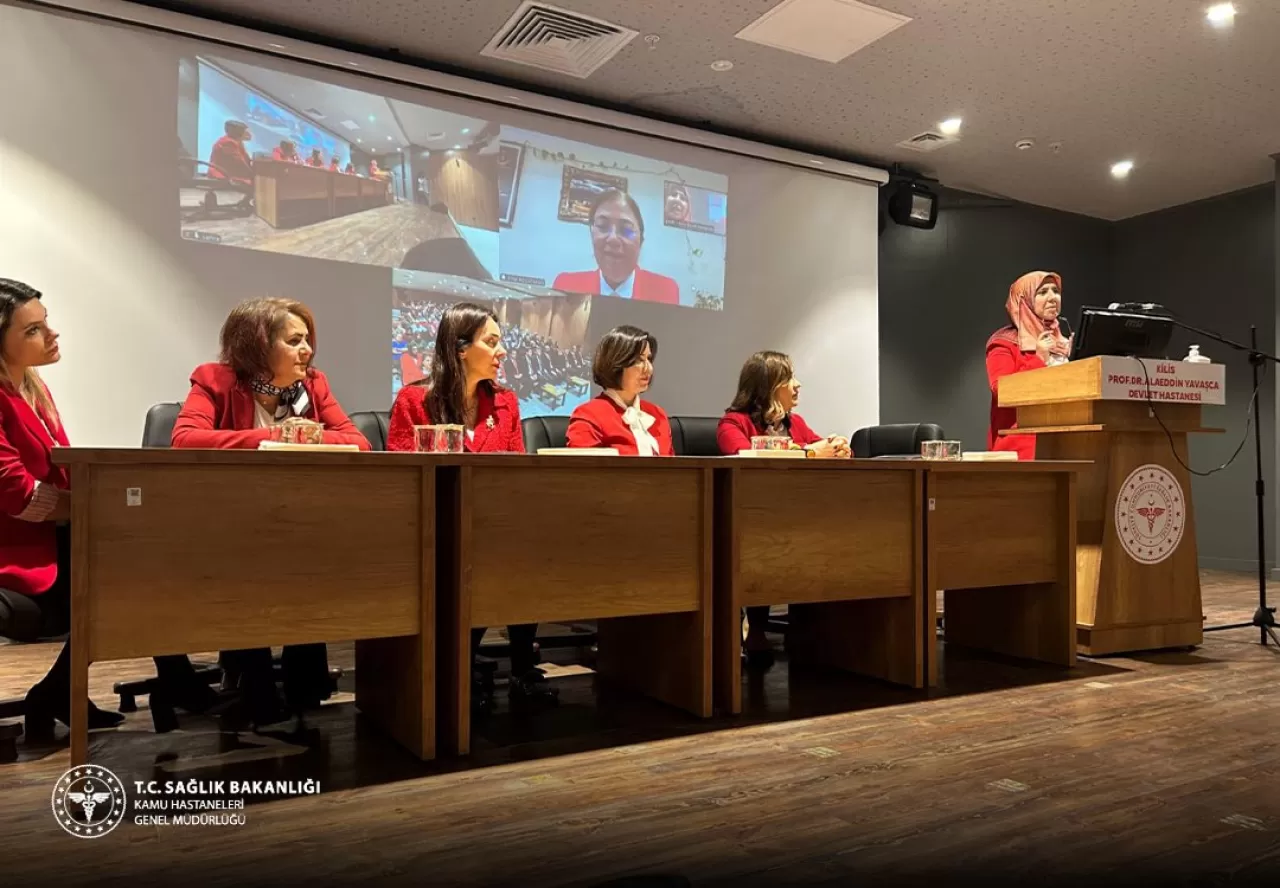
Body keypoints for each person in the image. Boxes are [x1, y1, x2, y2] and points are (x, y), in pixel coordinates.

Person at [0, 279, 212, 741]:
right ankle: (164, 680)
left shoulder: (32, 389)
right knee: (133, 572)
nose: (52, 335)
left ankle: (64, 692)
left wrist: (108, 501)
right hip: (17, 544)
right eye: (34, 329)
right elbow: (13, 489)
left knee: (138, 564)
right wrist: (94, 507)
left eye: (46, 323)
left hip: (55, 534)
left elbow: (62, 469)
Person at [171, 297, 370, 730]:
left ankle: (303, 682)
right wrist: (269, 437)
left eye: (308, 341)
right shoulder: (215, 380)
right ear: (258, 345)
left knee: (320, 551)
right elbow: (185, 440)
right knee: (250, 558)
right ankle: (253, 681)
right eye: (295, 340)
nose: (307, 351)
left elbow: (358, 442)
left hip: (300, 518)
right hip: (230, 519)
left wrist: (308, 440)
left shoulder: (313, 385)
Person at [386, 302, 556, 711]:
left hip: (492, 523)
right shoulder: (414, 400)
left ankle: (521, 669)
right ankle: (455, 668)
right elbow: (402, 475)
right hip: (434, 527)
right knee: (472, 561)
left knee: (521, 554)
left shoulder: (506, 402)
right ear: (461, 347)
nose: (502, 353)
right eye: (492, 342)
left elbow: (515, 470)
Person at [716, 350, 850, 669]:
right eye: (789, 379)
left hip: (799, 519)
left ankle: (812, 632)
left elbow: (821, 448)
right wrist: (810, 453)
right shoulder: (732, 424)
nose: (797, 385)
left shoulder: (796, 423)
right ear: (768, 386)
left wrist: (838, 446)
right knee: (765, 544)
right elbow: (744, 455)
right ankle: (757, 629)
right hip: (751, 521)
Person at [986, 271, 1071, 460]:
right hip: (1021, 450)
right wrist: (1038, 358)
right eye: (1042, 292)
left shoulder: (1065, 343)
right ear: (1024, 300)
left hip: (1066, 444)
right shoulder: (1004, 343)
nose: (1052, 298)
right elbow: (1001, 390)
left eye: (1055, 291)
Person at [553, 190, 680, 305]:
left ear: (641, 241)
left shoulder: (665, 291)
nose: (613, 239)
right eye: (602, 226)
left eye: (626, 230)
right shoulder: (566, 287)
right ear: (591, 235)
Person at [567, 325, 673, 456]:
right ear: (616, 363)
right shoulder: (589, 415)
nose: (649, 368)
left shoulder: (658, 415)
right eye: (639, 360)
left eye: (649, 359)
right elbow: (585, 472)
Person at [208, 120, 253, 184]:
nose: (249, 134)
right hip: (224, 175)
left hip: (231, 174)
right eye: (245, 131)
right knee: (258, 184)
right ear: (238, 132)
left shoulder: (236, 142)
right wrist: (253, 174)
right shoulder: (228, 143)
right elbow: (239, 163)